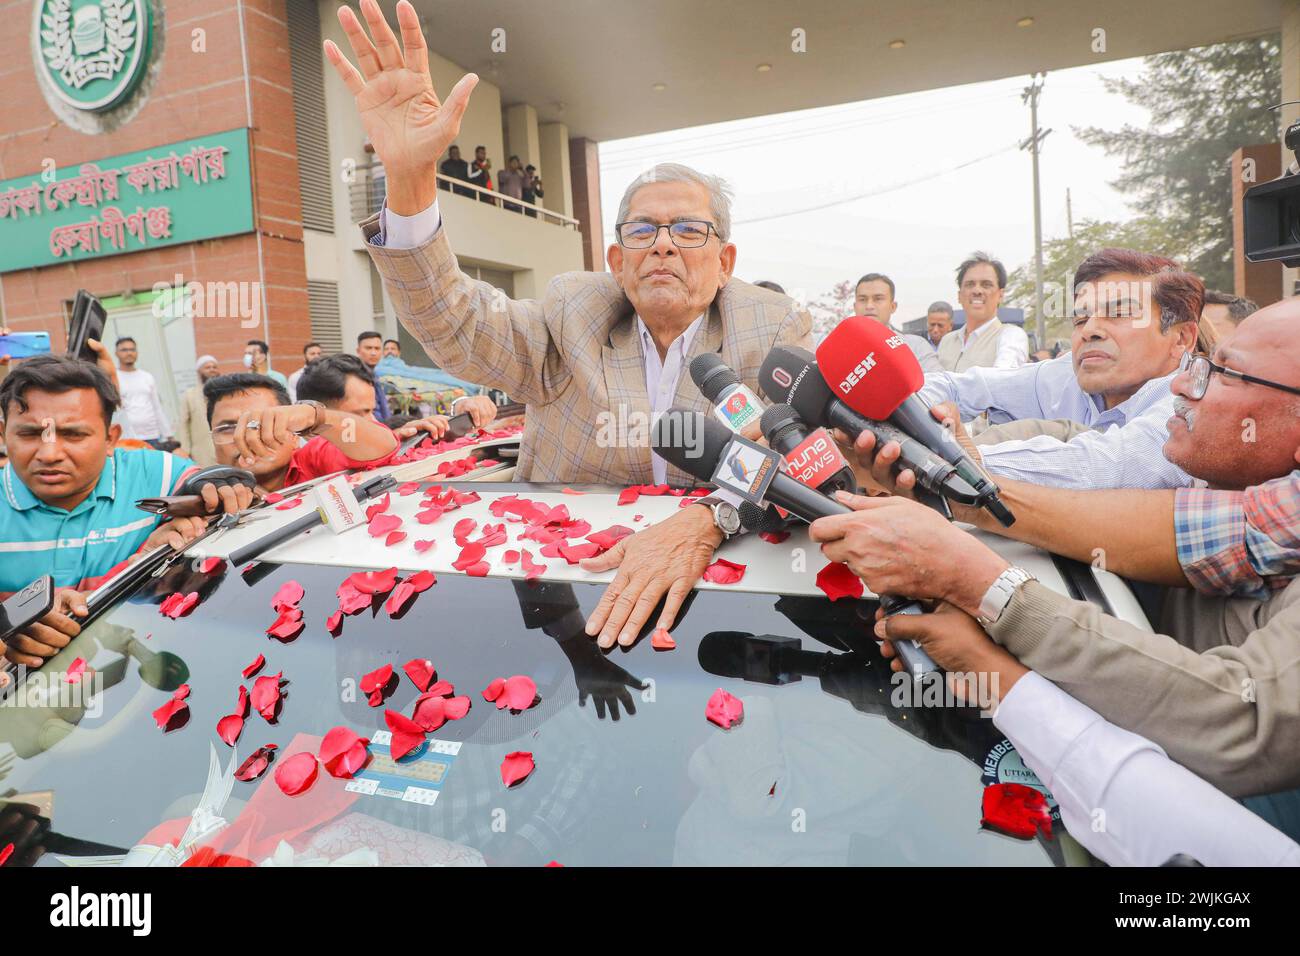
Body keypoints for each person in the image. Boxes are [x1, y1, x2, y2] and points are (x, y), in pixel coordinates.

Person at [324, 0, 813, 648]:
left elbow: (805, 455)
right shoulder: (571, 316)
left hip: (728, 608)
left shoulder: (774, 329)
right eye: (643, 230)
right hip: (564, 600)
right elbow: (455, 323)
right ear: (616, 259)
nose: (663, 245)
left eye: (688, 230)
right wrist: (410, 179)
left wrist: (711, 519)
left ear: (724, 262)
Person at [809, 296, 1300, 800]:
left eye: (1225, 373)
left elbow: (1242, 725)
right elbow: (1140, 515)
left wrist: (985, 591)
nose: (1181, 383)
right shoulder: (1222, 497)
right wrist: (953, 484)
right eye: (1082, 314)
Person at [0, 356, 254, 667]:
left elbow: (211, 489)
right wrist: (9, 626)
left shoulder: (158, 474)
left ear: (111, 438)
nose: (50, 453)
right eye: (29, 434)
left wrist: (213, 499)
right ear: (2, 434)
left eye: (74, 434)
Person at [910, 248, 1202, 490]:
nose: (1091, 330)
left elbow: (1107, 465)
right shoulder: (1063, 377)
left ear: (1181, 338)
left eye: (1119, 314)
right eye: (1080, 320)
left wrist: (964, 462)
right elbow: (960, 386)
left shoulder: (1195, 404)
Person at [204, 372, 399, 494]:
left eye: (263, 422)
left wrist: (315, 417)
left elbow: (383, 446)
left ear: (294, 436)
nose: (247, 437)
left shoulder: (315, 459)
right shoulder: (203, 495)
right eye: (229, 428)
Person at [295, 353, 498, 439]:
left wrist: (461, 406)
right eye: (360, 413)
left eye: (371, 411)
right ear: (315, 418)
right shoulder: (306, 459)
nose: (373, 421)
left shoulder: (377, 431)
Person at [935, 253, 1028, 371]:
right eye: (970, 284)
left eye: (986, 285)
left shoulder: (1010, 336)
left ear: (1000, 295)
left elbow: (1001, 378)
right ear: (959, 296)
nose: (977, 290)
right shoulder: (947, 341)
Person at [851, 272, 941, 374]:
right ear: (855, 307)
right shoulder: (839, 350)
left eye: (878, 299)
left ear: (893, 306)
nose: (869, 306)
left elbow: (939, 385)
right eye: (862, 299)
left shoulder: (915, 347)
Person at [114, 337, 173, 449]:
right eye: (124, 350)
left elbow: (157, 407)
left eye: (132, 349)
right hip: (127, 438)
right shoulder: (114, 378)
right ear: (116, 353)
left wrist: (168, 435)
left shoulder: (147, 377)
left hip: (152, 436)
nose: (129, 353)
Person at [176, 354, 221, 466]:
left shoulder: (224, 393)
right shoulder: (189, 395)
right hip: (201, 452)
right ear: (199, 371)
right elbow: (183, 424)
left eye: (214, 367)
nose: (212, 370)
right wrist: (185, 450)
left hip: (222, 448)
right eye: (207, 367)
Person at [356, 331, 391, 420]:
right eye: (368, 348)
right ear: (358, 351)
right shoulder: (355, 377)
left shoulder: (375, 374)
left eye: (377, 348)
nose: (373, 353)